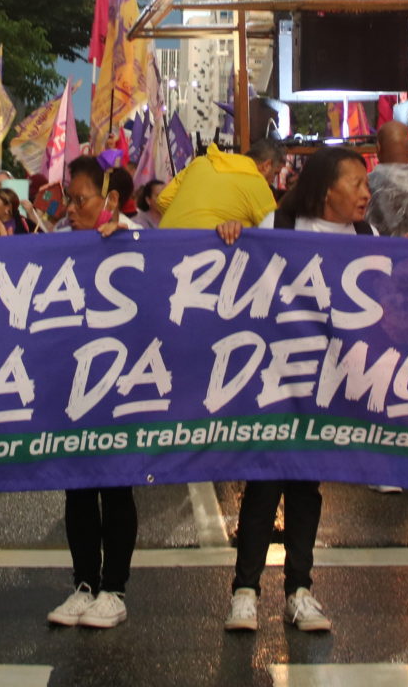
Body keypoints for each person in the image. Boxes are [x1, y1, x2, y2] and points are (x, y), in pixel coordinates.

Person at [217, 146, 371, 635]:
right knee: (264, 483)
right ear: (328, 191)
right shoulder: (279, 227)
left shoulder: (369, 238)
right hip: (274, 380)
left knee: (307, 485)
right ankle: (245, 592)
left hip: (328, 385)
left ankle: (299, 590)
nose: (366, 194)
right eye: (356, 184)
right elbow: (237, 276)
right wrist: (232, 236)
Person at [47, 155, 140, 632]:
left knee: (116, 485)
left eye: (79, 199)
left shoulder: (142, 243)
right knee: (79, 487)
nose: (69, 208)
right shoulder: (62, 245)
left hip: (123, 388)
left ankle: (114, 589)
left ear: (111, 202)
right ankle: (84, 583)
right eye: (68, 197)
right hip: (74, 386)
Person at [156, 138, 283, 230]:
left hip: (164, 242)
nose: (273, 180)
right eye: (275, 173)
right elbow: (276, 234)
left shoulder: (202, 162)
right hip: (204, 253)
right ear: (267, 166)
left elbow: (163, 200)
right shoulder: (257, 184)